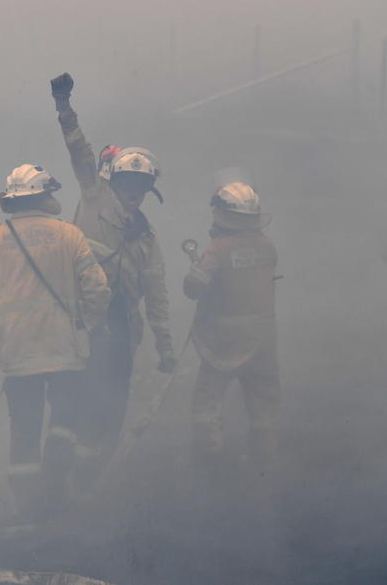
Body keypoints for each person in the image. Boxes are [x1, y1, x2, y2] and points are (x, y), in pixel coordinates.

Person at [50, 73, 176, 478]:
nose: (134, 189)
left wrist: (165, 347)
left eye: (142, 183)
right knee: (72, 401)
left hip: (122, 330)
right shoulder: (94, 197)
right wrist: (64, 108)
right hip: (80, 322)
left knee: (112, 405)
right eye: (128, 181)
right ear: (114, 181)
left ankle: (88, 479)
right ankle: (53, 478)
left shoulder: (146, 237)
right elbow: (81, 155)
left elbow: (157, 294)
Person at [0, 163, 110, 519]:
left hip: (16, 351)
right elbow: (96, 288)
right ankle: (56, 490)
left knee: (23, 429)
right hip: (62, 347)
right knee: (64, 421)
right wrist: (91, 322)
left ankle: (26, 507)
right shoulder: (69, 235)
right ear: (44, 195)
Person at [183, 182, 281, 472]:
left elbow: (193, 288)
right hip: (264, 339)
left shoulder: (218, 250)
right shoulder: (267, 246)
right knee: (264, 398)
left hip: (224, 340)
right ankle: (266, 453)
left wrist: (197, 268)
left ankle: (209, 455)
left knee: (208, 396)